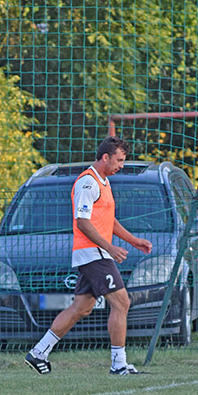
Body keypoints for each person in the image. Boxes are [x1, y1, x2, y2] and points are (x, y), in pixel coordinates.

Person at [24, 136, 153, 375]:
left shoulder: (103, 182)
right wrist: (110, 248)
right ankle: (118, 364)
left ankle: (39, 352)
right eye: (119, 160)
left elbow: (108, 220)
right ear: (105, 157)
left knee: (80, 309)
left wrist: (134, 241)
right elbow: (82, 222)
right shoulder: (87, 183)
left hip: (96, 252)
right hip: (93, 253)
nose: (121, 165)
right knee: (122, 302)